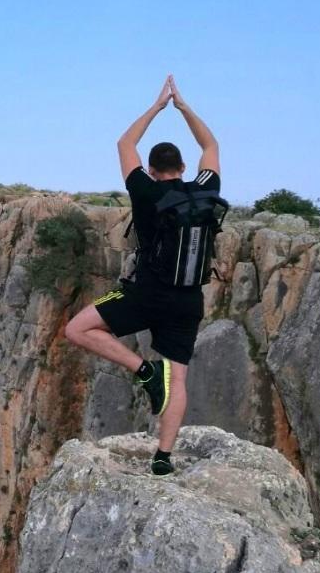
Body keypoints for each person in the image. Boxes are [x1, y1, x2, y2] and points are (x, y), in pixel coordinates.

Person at [65, 75, 220, 476]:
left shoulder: (146, 191)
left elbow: (124, 144)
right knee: (179, 378)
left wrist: (156, 107)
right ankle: (164, 459)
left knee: (78, 330)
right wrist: (184, 107)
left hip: (146, 293)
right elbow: (211, 145)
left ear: (151, 171)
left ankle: (143, 370)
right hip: (188, 299)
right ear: (183, 168)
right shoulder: (204, 189)